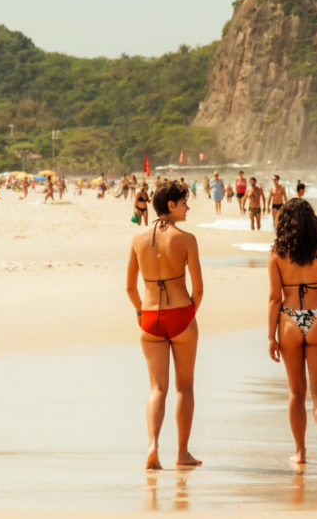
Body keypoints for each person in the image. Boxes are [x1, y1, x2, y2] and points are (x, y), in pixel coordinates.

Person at [125, 181, 203, 470]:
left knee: (157, 388)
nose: (188, 207)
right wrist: (189, 314)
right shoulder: (187, 239)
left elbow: (130, 288)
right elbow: (199, 290)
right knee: (184, 388)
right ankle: (182, 453)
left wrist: (139, 314)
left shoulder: (138, 238)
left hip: (149, 316)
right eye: (184, 202)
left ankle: (153, 446)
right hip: (180, 314)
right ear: (171, 204)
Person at [267, 199, 317, 468]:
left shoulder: (277, 253)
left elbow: (275, 298)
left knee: (295, 392)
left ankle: (300, 451)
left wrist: (270, 336)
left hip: (289, 319)